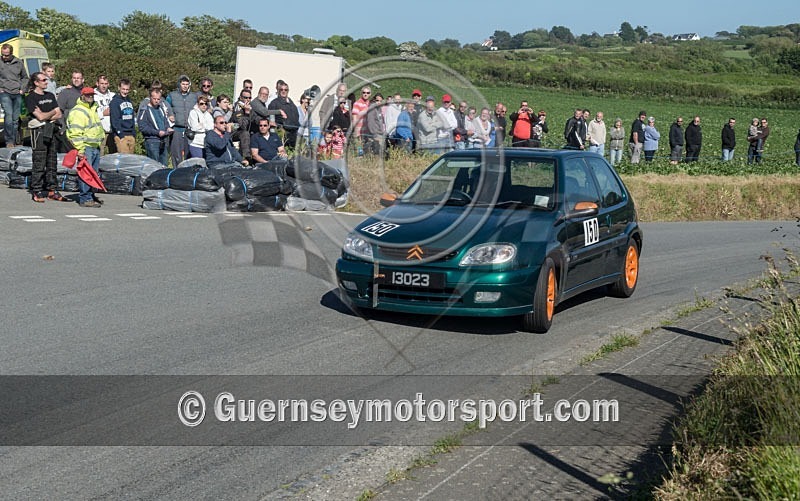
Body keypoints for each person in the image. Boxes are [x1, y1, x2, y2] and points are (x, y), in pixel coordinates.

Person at [24, 72, 63, 203]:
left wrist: (47, 114)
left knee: (52, 161)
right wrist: (51, 113)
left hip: (52, 129)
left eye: (46, 80)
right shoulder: (31, 98)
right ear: (36, 82)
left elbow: (59, 114)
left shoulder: (50, 95)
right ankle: (37, 189)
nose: (46, 82)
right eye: (43, 80)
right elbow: (39, 117)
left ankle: (52, 189)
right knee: (39, 161)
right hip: (39, 131)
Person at [67, 86, 105, 207]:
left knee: (93, 173)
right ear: (82, 96)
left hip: (95, 146)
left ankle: (90, 195)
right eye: (88, 95)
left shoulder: (92, 109)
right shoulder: (78, 111)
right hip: (86, 147)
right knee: (85, 173)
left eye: (92, 95)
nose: (90, 97)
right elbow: (75, 133)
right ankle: (85, 198)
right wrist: (80, 149)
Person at [165, 75, 197, 168]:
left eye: (187, 84)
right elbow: (166, 107)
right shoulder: (172, 95)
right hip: (177, 129)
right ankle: (176, 171)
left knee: (189, 154)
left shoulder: (194, 96)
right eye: (183, 84)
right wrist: (170, 115)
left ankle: (187, 172)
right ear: (179, 84)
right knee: (176, 154)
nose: (185, 86)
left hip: (189, 129)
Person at [0, 44, 28, 147]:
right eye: (3, 54)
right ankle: (9, 141)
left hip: (17, 93)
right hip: (4, 92)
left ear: (11, 53)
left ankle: (14, 139)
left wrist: (22, 89)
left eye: (7, 55)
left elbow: (25, 77)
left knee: (15, 119)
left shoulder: (18, 63)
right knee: (8, 115)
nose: (4, 57)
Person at [138, 89, 173, 166]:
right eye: (154, 99)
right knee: (154, 165)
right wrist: (157, 132)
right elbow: (142, 127)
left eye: (158, 99)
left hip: (163, 140)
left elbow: (165, 121)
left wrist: (168, 128)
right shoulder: (145, 110)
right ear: (150, 97)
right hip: (152, 141)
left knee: (164, 165)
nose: (156, 101)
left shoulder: (161, 108)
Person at [267, 81, 300, 149]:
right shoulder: (274, 103)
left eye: (285, 90)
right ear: (278, 91)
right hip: (282, 134)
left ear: (288, 91)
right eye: (281, 89)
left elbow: (296, 116)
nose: (283, 91)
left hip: (294, 134)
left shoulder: (291, 103)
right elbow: (269, 119)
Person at [109, 78, 136, 154]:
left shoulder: (129, 100)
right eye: (123, 89)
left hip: (131, 134)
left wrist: (134, 133)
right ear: (119, 88)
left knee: (130, 158)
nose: (125, 91)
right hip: (121, 135)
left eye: (127, 89)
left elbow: (132, 117)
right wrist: (120, 135)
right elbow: (115, 120)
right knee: (124, 158)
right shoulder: (115, 102)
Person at [93, 75, 116, 155]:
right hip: (99, 131)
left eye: (106, 84)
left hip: (112, 130)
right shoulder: (93, 96)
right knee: (100, 155)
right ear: (97, 83)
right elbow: (90, 114)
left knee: (114, 155)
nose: (104, 86)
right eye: (102, 83)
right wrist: (102, 114)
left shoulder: (113, 96)